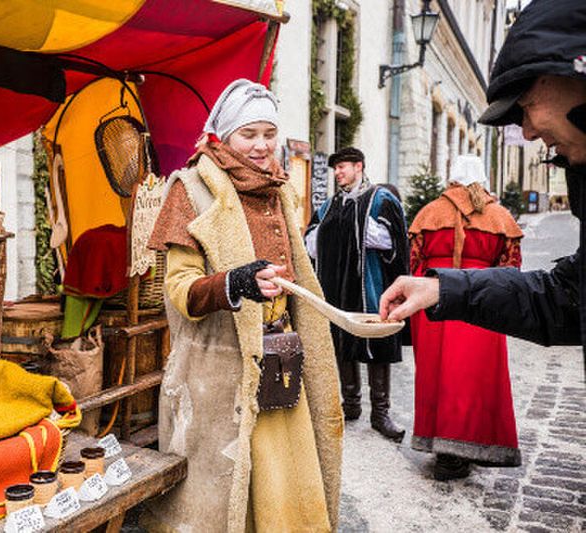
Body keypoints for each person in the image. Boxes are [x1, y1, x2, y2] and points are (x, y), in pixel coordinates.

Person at [144, 79, 343, 532]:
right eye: (248, 134)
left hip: (280, 360)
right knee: (221, 496)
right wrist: (235, 282)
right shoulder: (191, 189)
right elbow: (179, 288)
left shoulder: (280, 188)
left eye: (268, 134)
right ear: (224, 135)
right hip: (220, 376)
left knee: (283, 487)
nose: (261, 145)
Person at [379, 0, 586, 364]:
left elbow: (416, 252)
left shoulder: (430, 211)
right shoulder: (498, 214)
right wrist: (441, 287)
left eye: (527, 103)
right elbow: (563, 295)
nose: (527, 130)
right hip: (463, 315)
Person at [409, 155, 523, 481]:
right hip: (483, 305)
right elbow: (512, 271)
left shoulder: (429, 213)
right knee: (475, 379)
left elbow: (415, 264)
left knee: (437, 376)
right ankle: (469, 446)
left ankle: (445, 450)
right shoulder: (500, 216)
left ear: (452, 177)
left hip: (435, 302)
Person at [305, 147, 409, 442]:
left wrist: (357, 228)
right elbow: (310, 242)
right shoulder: (328, 207)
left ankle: (380, 412)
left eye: (343, 167)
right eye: (335, 169)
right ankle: (350, 404)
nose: (338, 173)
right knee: (342, 342)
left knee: (377, 340)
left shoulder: (380, 199)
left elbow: (395, 240)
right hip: (336, 288)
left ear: (359, 167)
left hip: (370, 285)